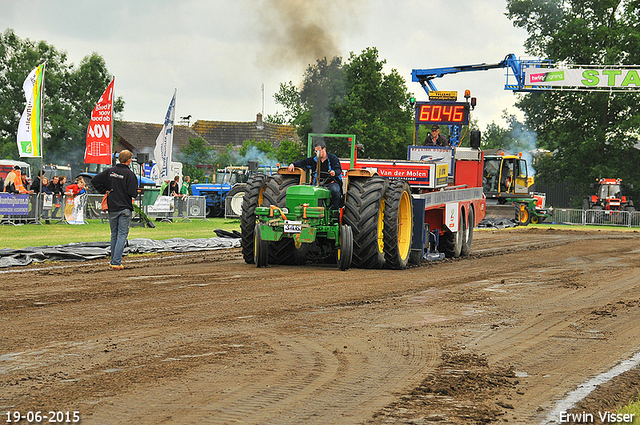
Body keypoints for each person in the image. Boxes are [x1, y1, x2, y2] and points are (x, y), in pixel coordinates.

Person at [91, 150, 139, 270]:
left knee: (114, 234)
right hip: (125, 208)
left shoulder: (110, 171)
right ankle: (116, 262)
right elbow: (132, 193)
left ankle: (114, 260)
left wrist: (105, 190)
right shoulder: (130, 174)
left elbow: (95, 180)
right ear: (129, 160)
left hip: (112, 207)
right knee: (122, 235)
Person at [288, 140, 343, 210]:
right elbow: (303, 162)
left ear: (324, 149)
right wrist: (293, 164)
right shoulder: (314, 160)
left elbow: (338, 169)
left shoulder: (333, 158)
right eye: (316, 151)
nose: (317, 153)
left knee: (335, 190)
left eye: (319, 151)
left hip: (330, 183)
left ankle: (335, 211)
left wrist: (334, 172)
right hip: (316, 183)